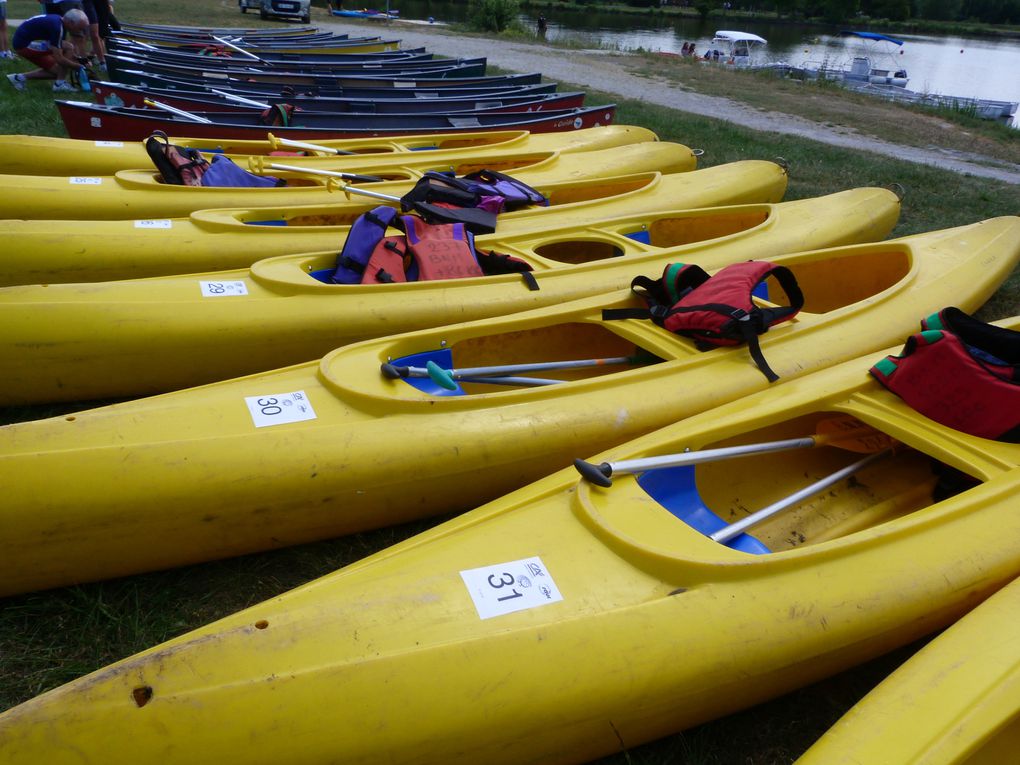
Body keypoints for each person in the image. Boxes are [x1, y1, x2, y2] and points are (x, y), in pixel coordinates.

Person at [6, 9, 89, 92]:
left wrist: (76, 59)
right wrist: (78, 66)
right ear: (71, 22)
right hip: (23, 46)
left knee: (57, 72)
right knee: (68, 47)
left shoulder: (58, 20)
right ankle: (60, 84)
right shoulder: (57, 27)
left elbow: (58, 49)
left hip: (24, 42)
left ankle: (18, 78)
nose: (80, 31)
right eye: (80, 28)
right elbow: (59, 59)